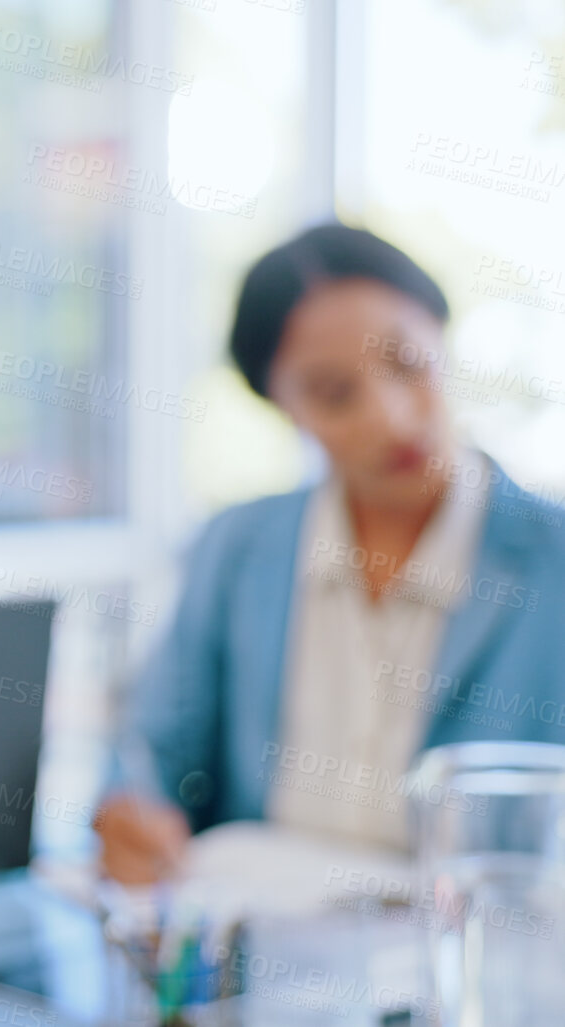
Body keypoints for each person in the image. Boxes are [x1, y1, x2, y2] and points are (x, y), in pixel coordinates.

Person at [96, 224, 565, 884]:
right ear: (282, 407)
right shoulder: (235, 547)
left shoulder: (552, 556)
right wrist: (131, 809)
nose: (390, 418)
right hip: (267, 947)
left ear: (441, 335)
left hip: (486, 953)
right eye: (333, 394)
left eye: (407, 363)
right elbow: (153, 750)